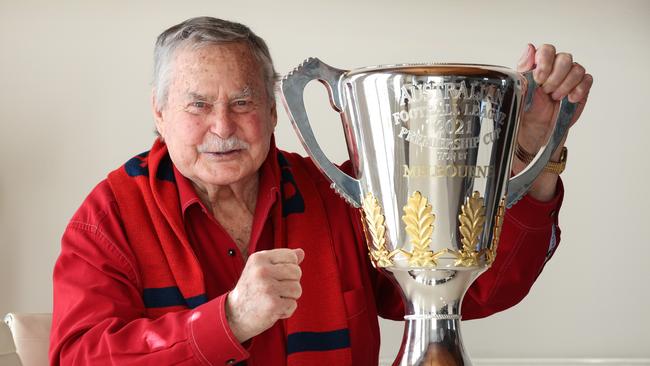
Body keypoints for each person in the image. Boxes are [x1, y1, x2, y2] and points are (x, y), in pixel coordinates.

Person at [49, 17, 593, 366]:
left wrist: (532, 156)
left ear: (272, 110)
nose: (222, 126)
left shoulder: (339, 193)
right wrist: (228, 321)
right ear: (159, 112)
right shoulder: (109, 217)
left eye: (242, 102)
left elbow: (468, 294)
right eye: (197, 105)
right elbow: (75, 359)